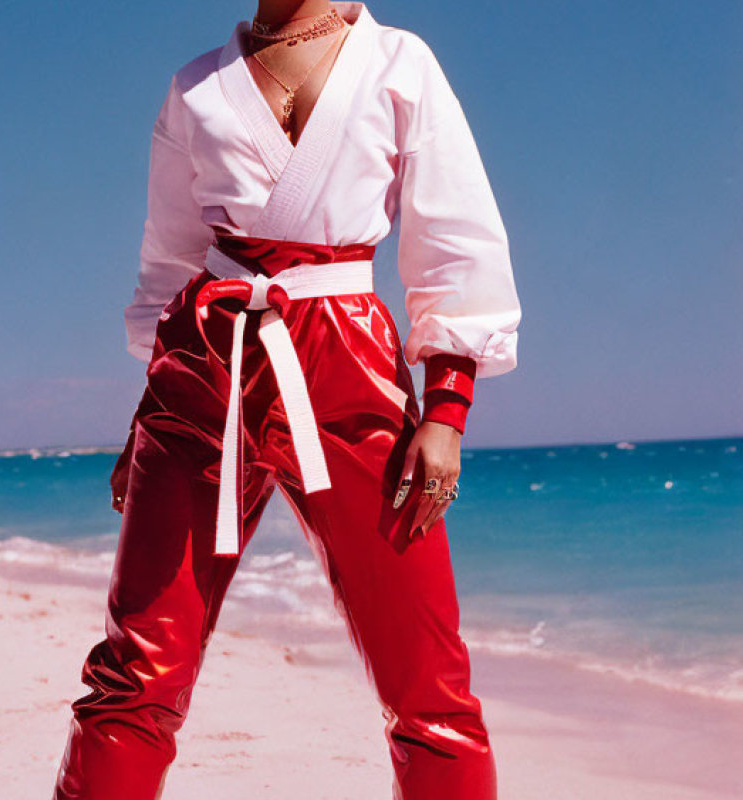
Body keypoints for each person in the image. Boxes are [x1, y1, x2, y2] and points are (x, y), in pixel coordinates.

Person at [52, 1, 521, 797]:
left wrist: (446, 408)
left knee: (427, 688)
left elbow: (456, 239)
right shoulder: (196, 86)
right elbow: (168, 263)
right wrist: (148, 417)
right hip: (204, 367)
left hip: (349, 365)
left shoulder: (400, 63)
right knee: (135, 672)